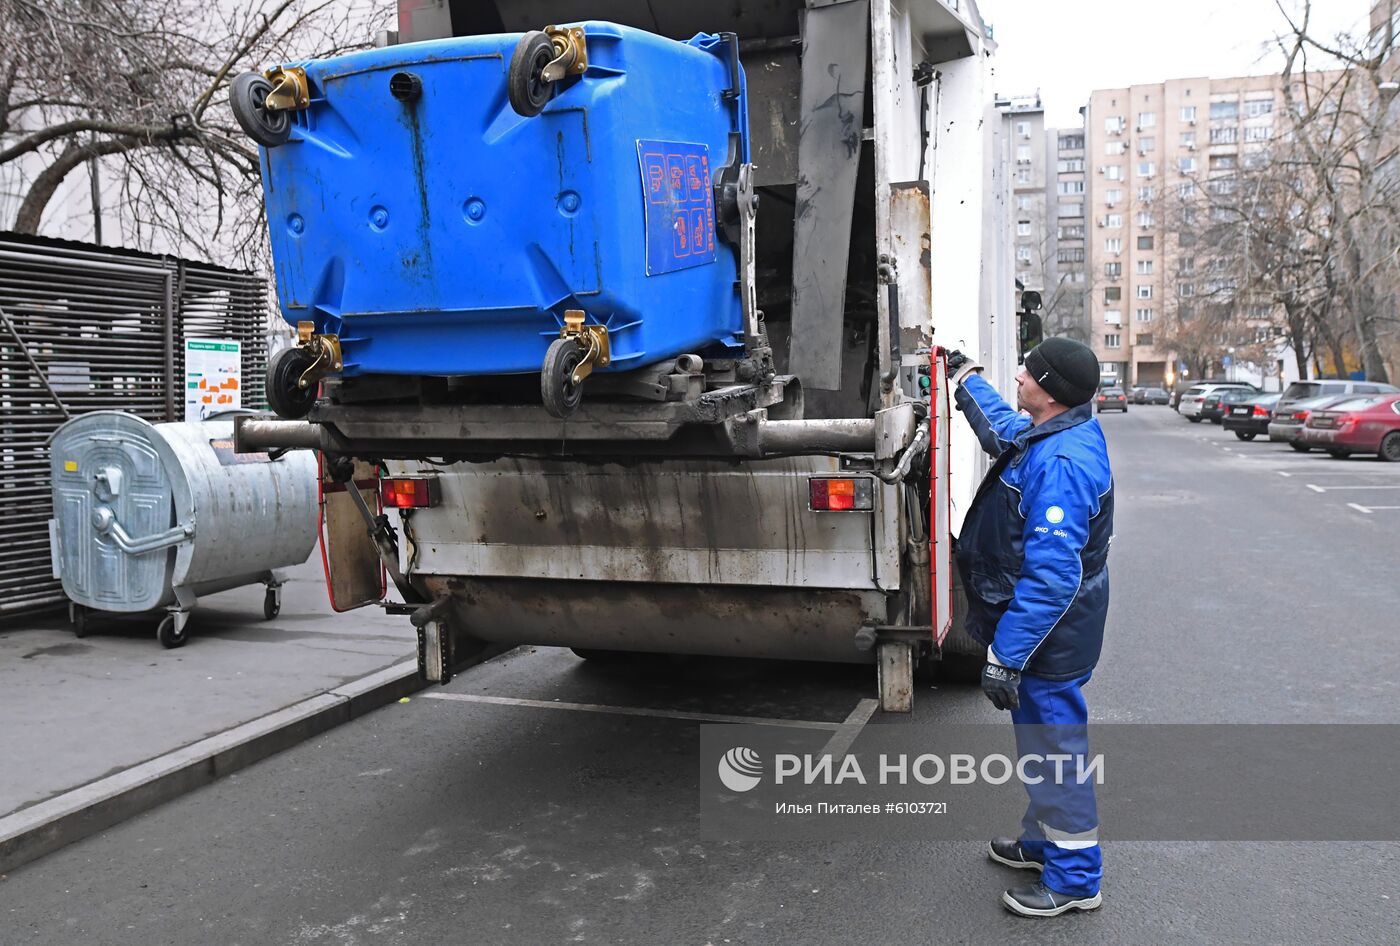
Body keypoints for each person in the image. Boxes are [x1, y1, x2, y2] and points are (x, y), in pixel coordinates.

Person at [944, 338, 1113, 918]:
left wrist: (1006, 655)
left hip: (1049, 637)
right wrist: (966, 379)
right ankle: (1045, 845)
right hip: (1050, 632)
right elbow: (1004, 430)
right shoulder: (1051, 432)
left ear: (1052, 392)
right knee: (1041, 748)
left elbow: (1053, 579)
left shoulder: (1062, 465)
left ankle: (1075, 879)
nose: (1018, 375)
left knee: (1055, 753)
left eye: (1030, 372)